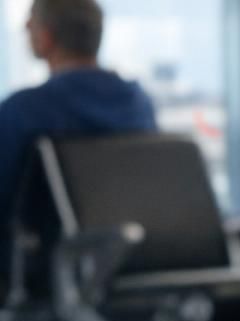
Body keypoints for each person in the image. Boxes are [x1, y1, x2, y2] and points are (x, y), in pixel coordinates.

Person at [0, 0, 156, 226]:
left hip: (44, 246)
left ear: (46, 37)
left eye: (30, 22)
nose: (25, 28)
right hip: (133, 243)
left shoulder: (23, 110)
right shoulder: (139, 104)